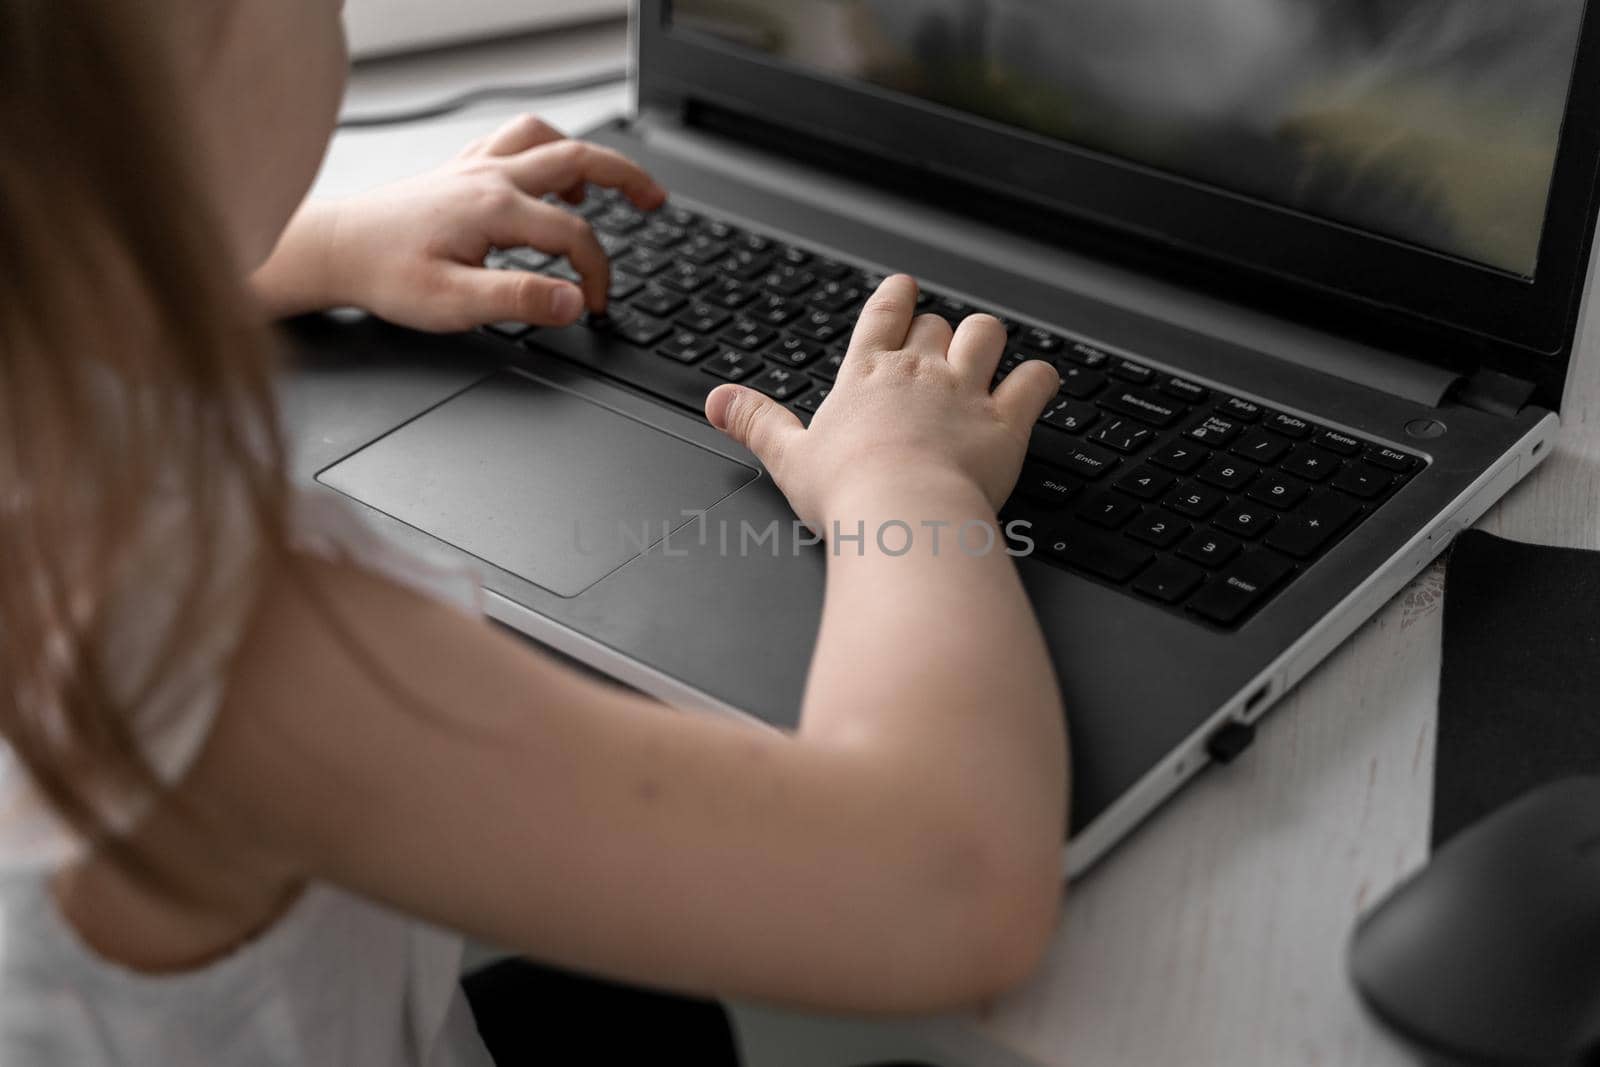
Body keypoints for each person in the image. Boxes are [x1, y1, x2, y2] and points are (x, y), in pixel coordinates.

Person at [0, 1, 1069, 1063]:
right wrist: (907, 482)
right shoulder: (211, 654)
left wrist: (308, 246)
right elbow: (949, 887)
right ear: (155, 94)